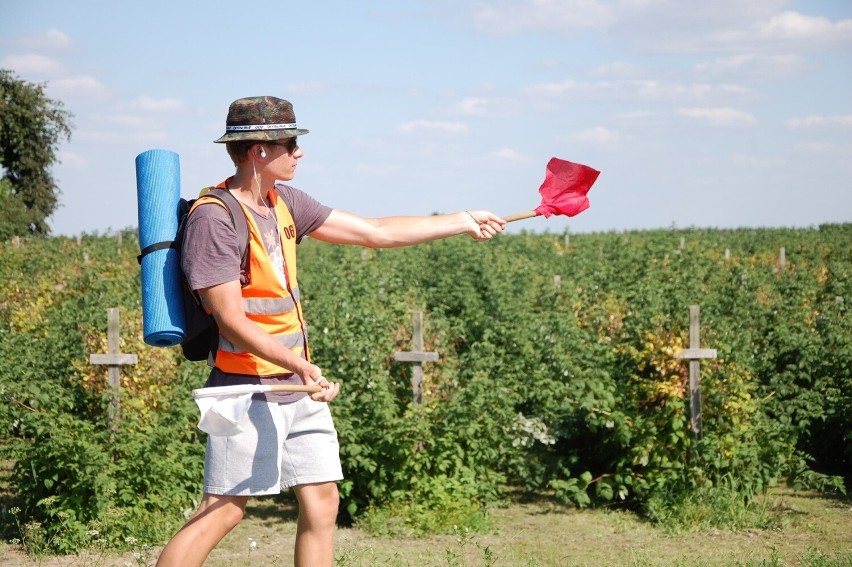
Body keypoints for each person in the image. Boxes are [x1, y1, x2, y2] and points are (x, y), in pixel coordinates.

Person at [155, 96, 505, 567]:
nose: (299, 152)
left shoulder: (285, 203)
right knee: (223, 511)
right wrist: (299, 363)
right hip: (245, 387)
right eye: (290, 143)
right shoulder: (214, 218)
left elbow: (375, 231)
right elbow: (231, 320)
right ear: (259, 150)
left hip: (298, 387)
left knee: (323, 503)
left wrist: (462, 221)